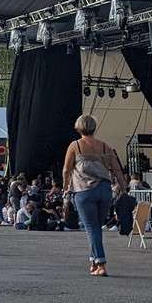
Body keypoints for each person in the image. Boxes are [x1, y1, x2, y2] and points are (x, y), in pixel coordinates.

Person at [62, 115, 128, 277]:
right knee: (96, 227)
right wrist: (124, 189)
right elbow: (117, 169)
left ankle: (101, 263)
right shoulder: (106, 147)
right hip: (105, 190)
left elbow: (66, 169)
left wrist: (65, 187)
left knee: (92, 228)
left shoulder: (75, 146)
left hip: (84, 191)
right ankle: (93, 262)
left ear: (78, 127)